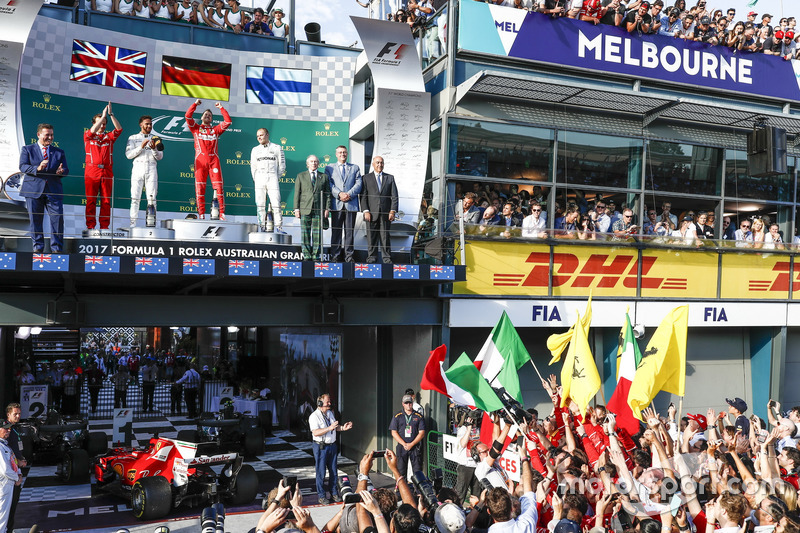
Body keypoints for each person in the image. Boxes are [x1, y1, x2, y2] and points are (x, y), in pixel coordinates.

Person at [19, 123, 69, 253]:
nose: (50, 137)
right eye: (47, 135)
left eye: (52, 135)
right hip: (33, 190)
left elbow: (66, 169)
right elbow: (23, 166)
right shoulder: (27, 149)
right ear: (39, 134)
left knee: (57, 220)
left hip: (53, 190)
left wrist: (61, 171)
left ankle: (57, 249)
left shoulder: (59, 152)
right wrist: (37, 168)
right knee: (35, 220)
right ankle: (38, 248)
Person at [185, 99, 232, 220]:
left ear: (211, 119)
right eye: (205, 114)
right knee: (200, 187)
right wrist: (195, 104)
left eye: (210, 115)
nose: (207, 116)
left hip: (214, 162)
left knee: (218, 187)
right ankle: (201, 214)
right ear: (201, 117)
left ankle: (221, 213)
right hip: (200, 162)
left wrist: (221, 108)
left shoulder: (215, 130)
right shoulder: (195, 128)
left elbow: (228, 121)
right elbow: (187, 116)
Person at [84, 102, 123, 231]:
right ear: (94, 124)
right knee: (91, 200)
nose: (102, 125)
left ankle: (104, 227)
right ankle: (90, 226)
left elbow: (119, 129)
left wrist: (110, 115)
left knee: (106, 201)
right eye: (100, 123)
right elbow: (93, 130)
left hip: (106, 170)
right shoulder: (88, 136)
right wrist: (102, 117)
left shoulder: (109, 137)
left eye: (104, 124)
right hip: (92, 171)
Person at [309, 393, 352, 504]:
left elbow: (335, 427)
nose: (329, 403)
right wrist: (329, 428)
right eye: (327, 401)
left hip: (332, 446)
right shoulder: (314, 416)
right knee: (321, 472)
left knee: (334, 471)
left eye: (329, 401)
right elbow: (316, 432)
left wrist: (343, 428)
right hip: (321, 446)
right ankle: (322, 496)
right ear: (320, 403)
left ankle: (334, 493)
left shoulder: (329, 413)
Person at [326, 145, 362, 262]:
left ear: (347, 154)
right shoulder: (329, 168)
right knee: (336, 231)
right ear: (336, 154)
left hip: (351, 204)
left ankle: (349, 257)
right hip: (337, 204)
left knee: (349, 232)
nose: (342, 154)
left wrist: (349, 194)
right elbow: (329, 184)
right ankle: (335, 256)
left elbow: (359, 184)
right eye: (340, 152)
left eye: (344, 152)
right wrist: (340, 194)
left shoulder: (355, 168)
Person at [126, 115, 163, 227]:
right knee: (135, 198)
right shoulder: (133, 138)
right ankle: (133, 224)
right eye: (147, 124)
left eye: (150, 124)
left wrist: (154, 149)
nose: (149, 126)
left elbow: (160, 156)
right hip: (138, 168)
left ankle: (151, 224)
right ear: (141, 124)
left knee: (152, 199)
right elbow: (128, 155)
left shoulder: (156, 138)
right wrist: (141, 147)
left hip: (151, 168)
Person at [360, 156, 398, 264]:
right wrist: (365, 210)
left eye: (381, 163)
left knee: (385, 237)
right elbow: (363, 196)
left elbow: (394, 196)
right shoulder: (366, 178)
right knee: (371, 237)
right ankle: (371, 258)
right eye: (377, 163)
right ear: (373, 164)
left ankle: (387, 259)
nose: (379, 165)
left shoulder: (390, 178)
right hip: (371, 213)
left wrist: (392, 211)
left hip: (386, 213)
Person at [294, 155, 331, 261]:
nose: (314, 163)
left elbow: (328, 194)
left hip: (319, 209)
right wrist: (296, 209)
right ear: (307, 163)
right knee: (305, 233)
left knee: (317, 234)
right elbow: (297, 193)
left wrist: (327, 209)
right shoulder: (301, 176)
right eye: (311, 161)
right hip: (305, 208)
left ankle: (316, 255)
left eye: (315, 161)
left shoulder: (324, 176)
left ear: (318, 163)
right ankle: (306, 255)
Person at [250, 128, 286, 231]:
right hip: (259, 178)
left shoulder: (277, 147)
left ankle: (279, 227)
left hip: (272, 177)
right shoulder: (255, 150)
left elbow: (282, 165)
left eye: (261, 135)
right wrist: (256, 179)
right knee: (260, 204)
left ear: (267, 135)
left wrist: (275, 177)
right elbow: (253, 167)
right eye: (257, 136)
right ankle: (262, 226)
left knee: (276, 203)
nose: (259, 138)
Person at [389, 394, 426, 480]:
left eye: (410, 402)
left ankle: (419, 492)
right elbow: (393, 432)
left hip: (415, 447)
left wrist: (411, 444)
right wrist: (404, 444)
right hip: (402, 447)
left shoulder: (418, 416)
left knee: (417, 471)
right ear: (403, 404)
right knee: (401, 471)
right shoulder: (397, 416)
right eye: (406, 403)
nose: (408, 405)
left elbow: (422, 433)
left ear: (412, 403)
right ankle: (401, 491)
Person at [4, 404, 25, 533]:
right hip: (10, 475)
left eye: (19, 413)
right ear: (8, 415)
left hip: (16, 470)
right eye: (15, 414)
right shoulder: (7, 431)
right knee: (8, 507)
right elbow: (8, 456)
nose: (18, 416)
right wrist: (18, 464)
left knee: (12, 506)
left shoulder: (14, 429)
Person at [0, 420, 22, 533]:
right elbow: (5, 470)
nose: (8, 430)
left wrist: (19, 473)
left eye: (9, 428)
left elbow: (12, 463)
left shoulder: (4, 445)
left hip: (8, 486)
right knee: (2, 519)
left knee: (5, 517)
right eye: (5, 428)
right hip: (3, 487)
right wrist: (17, 477)